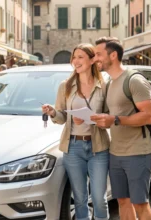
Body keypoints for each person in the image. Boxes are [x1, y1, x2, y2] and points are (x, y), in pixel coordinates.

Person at [42, 43, 110, 220]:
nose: (75, 61)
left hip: (98, 147)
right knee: (80, 199)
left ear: (92, 59)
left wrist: (94, 119)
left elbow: (110, 116)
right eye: (74, 57)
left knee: (99, 198)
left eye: (80, 57)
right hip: (73, 147)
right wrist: (52, 112)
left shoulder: (103, 85)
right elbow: (62, 116)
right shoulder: (66, 85)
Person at [91, 37, 151, 220]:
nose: (96, 59)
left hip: (137, 152)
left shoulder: (134, 80)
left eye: (99, 54)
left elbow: (148, 116)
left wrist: (116, 120)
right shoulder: (110, 83)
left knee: (140, 203)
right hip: (116, 153)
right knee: (122, 201)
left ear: (113, 55)